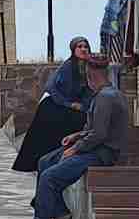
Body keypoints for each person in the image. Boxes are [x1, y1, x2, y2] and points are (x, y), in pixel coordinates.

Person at [0, 82, 126, 219]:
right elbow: (93, 130)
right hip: (91, 148)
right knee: (44, 162)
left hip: (100, 153)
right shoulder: (100, 96)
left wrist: (76, 148)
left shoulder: (106, 97)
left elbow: (100, 135)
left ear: (90, 76)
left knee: (49, 177)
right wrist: (76, 136)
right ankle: (59, 213)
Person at [13, 36, 102, 174]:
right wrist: (69, 104)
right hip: (56, 103)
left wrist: (84, 106)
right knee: (56, 121)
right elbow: (52, 88)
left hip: (76, 106)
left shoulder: (90, 67)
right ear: (73, 50)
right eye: (80, 47)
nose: (83, 49)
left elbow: (90, 91)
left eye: (85, 46)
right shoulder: (67, 66)